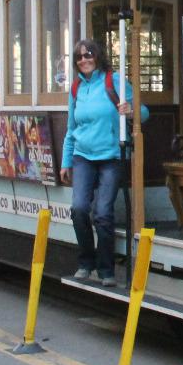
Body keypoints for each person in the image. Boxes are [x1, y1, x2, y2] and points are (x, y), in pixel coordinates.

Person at [59, 37, 149, 286]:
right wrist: (66, 162)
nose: (84, 60)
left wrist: (130, 110)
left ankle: (106, 270)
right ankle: (86, 262)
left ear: (97, 57)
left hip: (111, 155)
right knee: (78, 209)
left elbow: (144, 113)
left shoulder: (114, 81)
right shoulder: (76, 88)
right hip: (83, 157)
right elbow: (71, 127)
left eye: (88, 55)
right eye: (79, 57)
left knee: (102, 213)